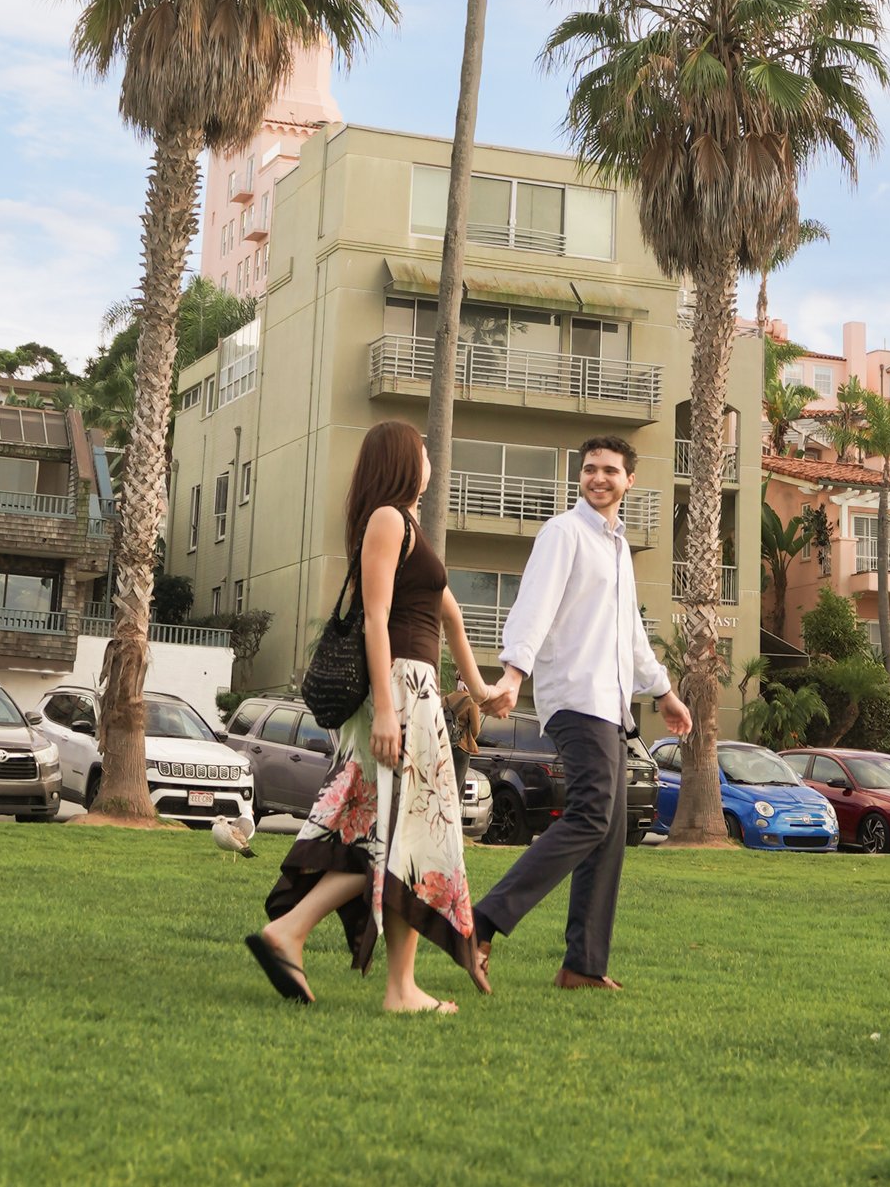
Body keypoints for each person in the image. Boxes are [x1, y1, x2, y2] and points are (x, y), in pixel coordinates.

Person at [248, 420, 494, 1012]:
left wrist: (482, 690)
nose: (431, 457)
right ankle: (378, 977)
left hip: (419, 692)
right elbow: (375, 619)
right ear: (403, 460)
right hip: (402, 694)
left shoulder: (409, 527)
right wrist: (387, 710)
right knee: (399, 838)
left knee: (395, 838)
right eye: (423, 449)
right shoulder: (387, 520)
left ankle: (385, 979)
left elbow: (451, 617)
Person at [471, 432, 692, 993]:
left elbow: (631, 633)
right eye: (590, 469)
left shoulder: (617, 547)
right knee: (592, 815)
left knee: (611, 832)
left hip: (613, 706)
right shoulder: (564, 534)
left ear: (629, 481)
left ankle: (582, 966)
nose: (598, 478)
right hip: (575, 698)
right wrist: (514, 674)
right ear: (581, 476)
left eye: (610, 470)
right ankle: (482, 921)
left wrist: (663, 691)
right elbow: (533, 606)